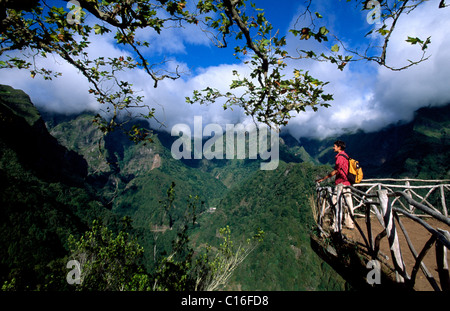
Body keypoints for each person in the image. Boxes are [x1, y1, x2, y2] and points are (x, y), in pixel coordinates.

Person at [316, 140, 355, 229]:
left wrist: (323, 178)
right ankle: (349, 223)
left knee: (335, 202)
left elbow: (336, 171)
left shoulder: (340, 157)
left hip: (341, 184)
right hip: (347, 183)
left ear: (339, 147)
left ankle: (336, 224)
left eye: (334, 146)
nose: (333, 148)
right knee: (348, 203)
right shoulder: (346, 156)